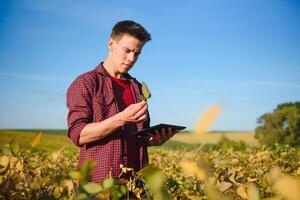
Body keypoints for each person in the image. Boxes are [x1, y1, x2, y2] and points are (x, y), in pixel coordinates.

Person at [66, 20, 175, 183]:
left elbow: (140, 136)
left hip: (136, 185)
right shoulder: (86, 82)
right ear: (111, 44)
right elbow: (78, 134)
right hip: (99, 185)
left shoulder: (138, 88)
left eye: (137, 53)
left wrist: (153, 140)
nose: (131, 58)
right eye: (127, 50)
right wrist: (121, 118)